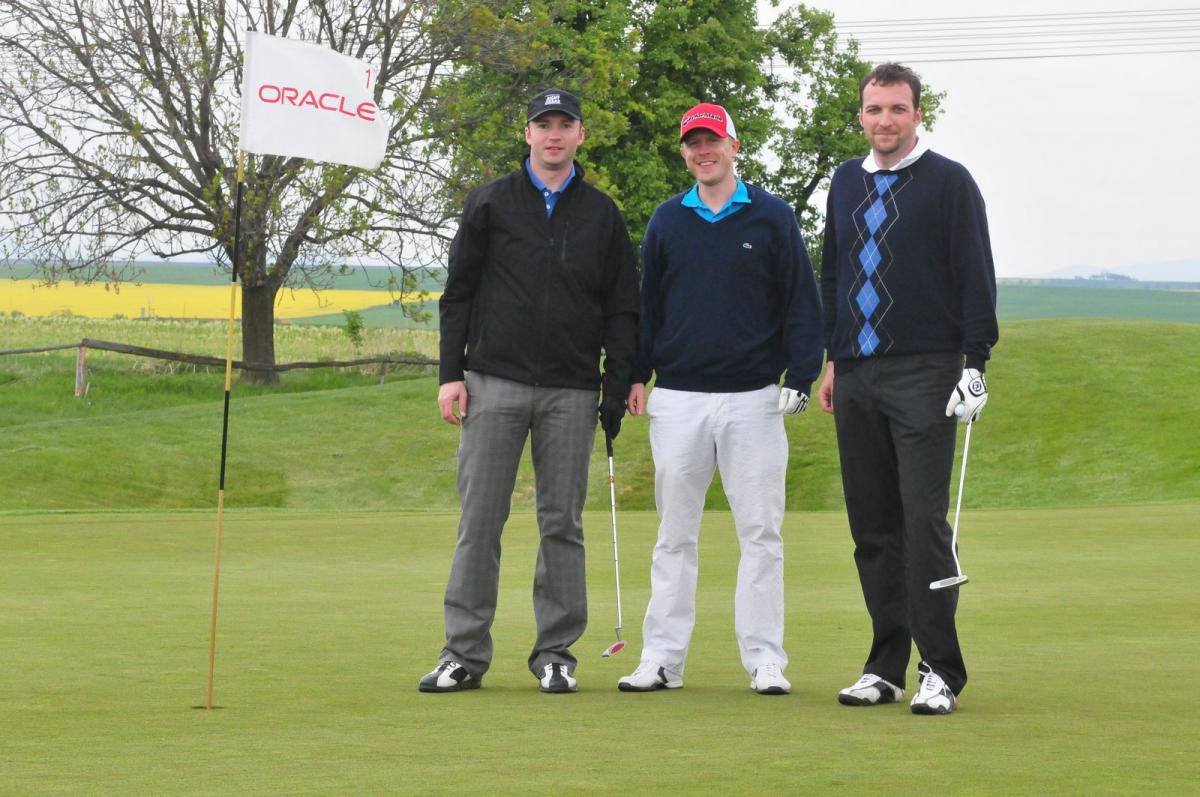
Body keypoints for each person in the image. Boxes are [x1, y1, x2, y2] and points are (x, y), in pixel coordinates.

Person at [419, 88, 639, 694]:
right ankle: (463, 654)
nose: (554, 135)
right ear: (528, 134)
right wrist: (450, 374)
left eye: (565, 124)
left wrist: (618, 380)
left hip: (571, 390)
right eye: (544, 125)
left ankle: (556, 653)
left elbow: (622, 305)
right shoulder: (491, 201)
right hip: (494, 382)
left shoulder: (601, 213)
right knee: (480, 520)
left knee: (561, 523)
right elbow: (458, 293)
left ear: (581, 135)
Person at [616, 102, 823, 696]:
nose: (702, 151)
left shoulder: (772, 216)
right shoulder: (667, 220)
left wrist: (801, 374)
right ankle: (662, 659)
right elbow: (649, 307)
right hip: (678, 397)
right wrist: (635, 373)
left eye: (712, 141)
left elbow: (801, 301)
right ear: (685, 152)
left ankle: (764, 659)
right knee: (674, 535)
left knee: (760, 534)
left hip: (753, 398)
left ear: (734, 145)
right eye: (693, 143)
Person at [819, 63, 998, 715]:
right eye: (874, 109)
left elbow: (974, 273)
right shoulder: (845, 181)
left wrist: (975, 362)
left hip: (926, 371)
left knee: (922, 522)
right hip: (856, 372)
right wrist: (833, 358)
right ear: (861, 116)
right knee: (872, 525)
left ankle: (940, 668)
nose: (885, 120)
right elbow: (833, 271)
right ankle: (885, 665)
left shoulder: (949, 182)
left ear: (917, 114)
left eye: (897, 108)